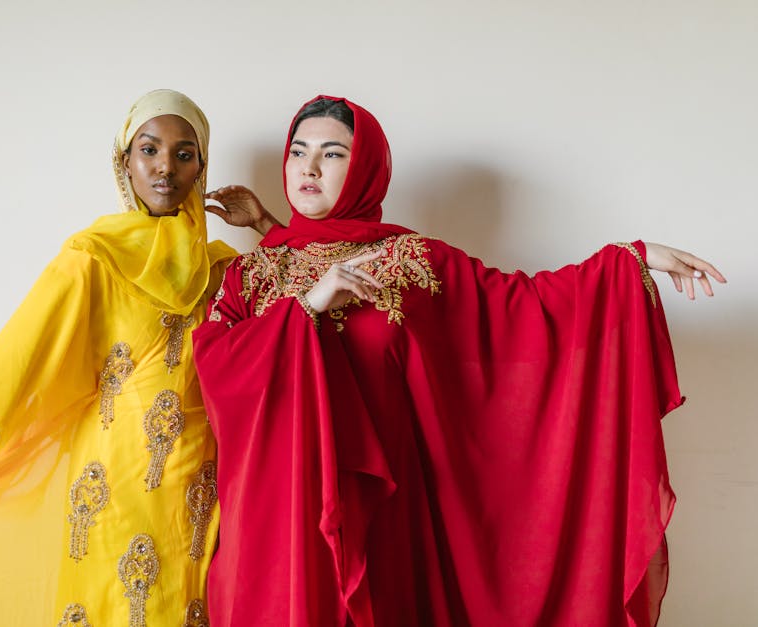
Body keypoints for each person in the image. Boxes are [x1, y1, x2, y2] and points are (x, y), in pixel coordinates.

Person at [194, 95, 725, 627]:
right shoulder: (250, 275)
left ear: (364, 170)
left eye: (332, 154)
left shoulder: (412, 262)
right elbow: (216, 364)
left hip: (383, 516)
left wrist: (629, 261)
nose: (309, 167)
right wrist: (308, 306)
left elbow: (526, 308)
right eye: (298, 151)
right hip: (278, 511)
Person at [0, 89, 276, 626]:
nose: (165, 167)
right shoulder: (92, 259)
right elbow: (6, 369)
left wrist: (266, 225)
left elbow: (307, 313)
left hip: (202, 490)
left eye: (184, 154)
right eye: (149, 150)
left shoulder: (225, 270)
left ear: (201, 168)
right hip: (111, 487)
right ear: (124, 162)